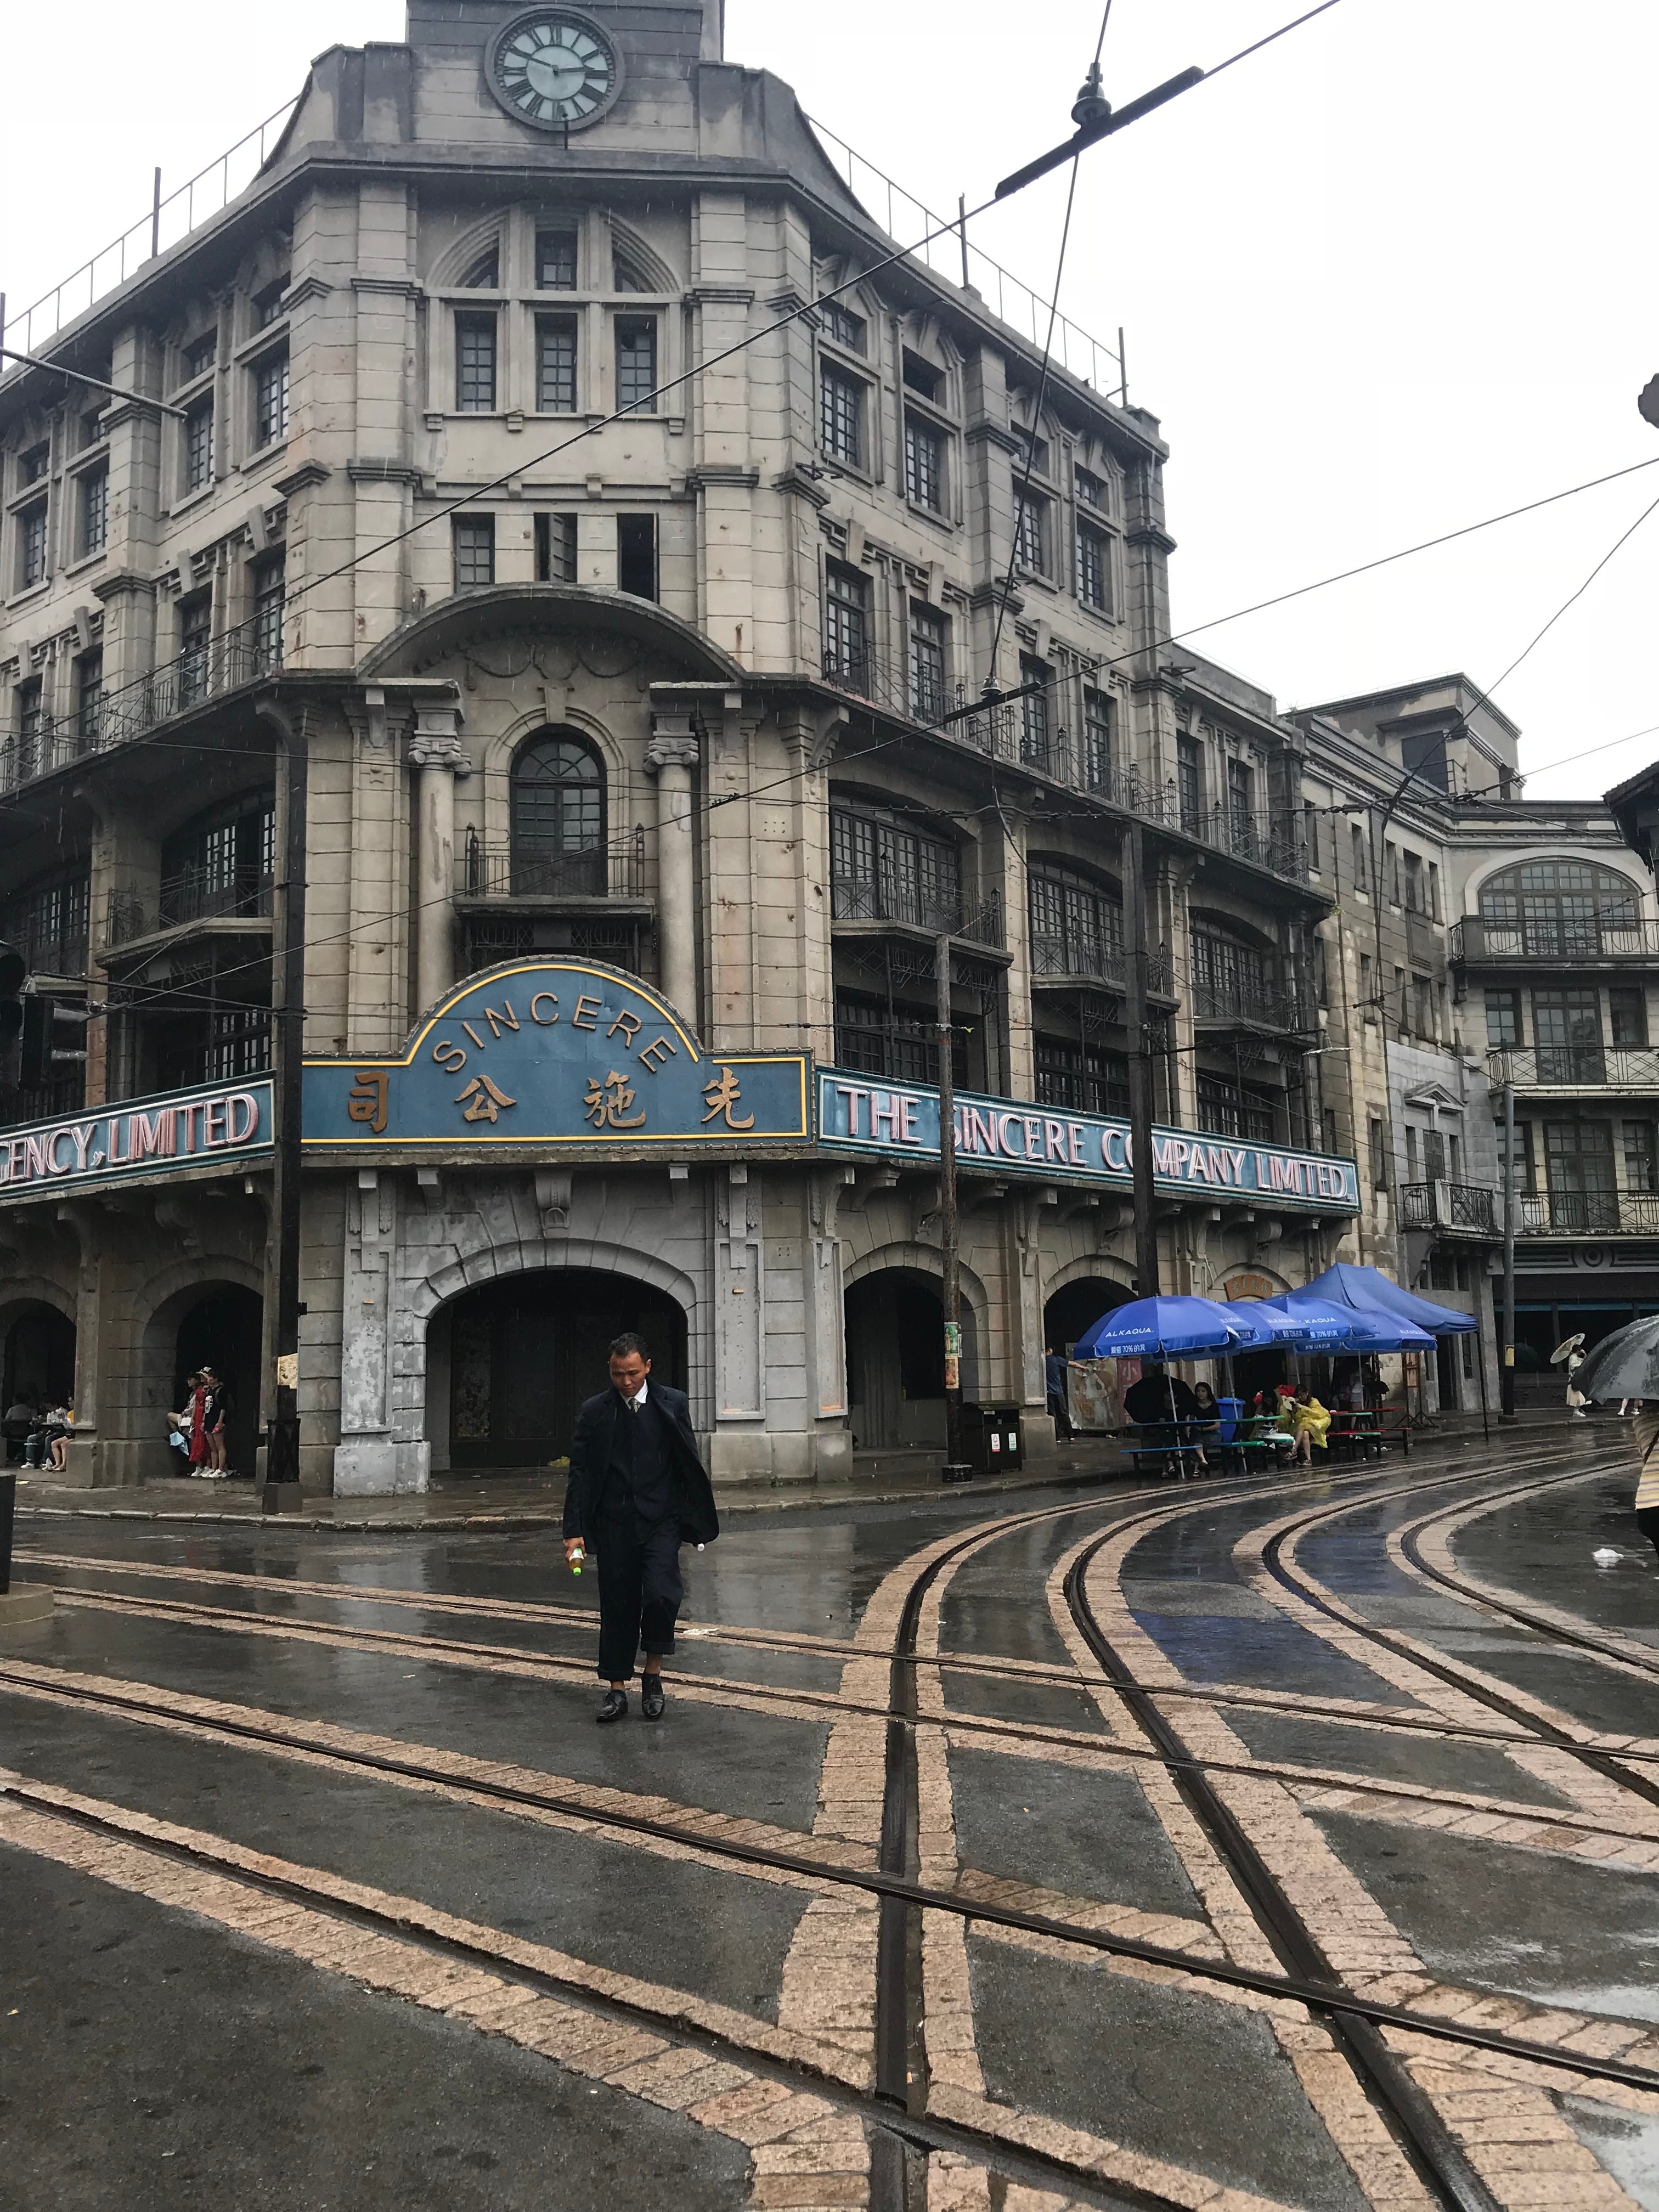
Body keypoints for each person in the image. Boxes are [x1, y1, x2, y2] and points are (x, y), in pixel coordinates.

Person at [562, 1331, 719, 1724]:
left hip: (661, 1520)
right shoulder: (595, 1411)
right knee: (618, 1605)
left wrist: (693, 1516)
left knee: (662, 1595)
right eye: (618, 1374)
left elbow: (688, 1462)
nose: (626, 1382)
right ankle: (616, 1690)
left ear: (647, 1368)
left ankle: (653, 1675)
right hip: (614, 1522)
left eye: (632, 1373)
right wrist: (574, 1530)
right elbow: (580, 1474)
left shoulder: (673, 1403)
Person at [1290, 1386, 1331, 1465]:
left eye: (1302, 1395)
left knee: (1303, 1426)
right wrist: (1294, 1410)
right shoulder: (1298, 1404)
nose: (1301, 1397)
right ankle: (1308, 1459)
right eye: (1299, 1396)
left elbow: (1317, 1414)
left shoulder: (1314, 1401)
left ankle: (1294, 1449)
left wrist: (1303, 1408)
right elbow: (1297, 1419)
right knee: (1305, 1433)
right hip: (1304, 1428)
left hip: (1317, 1424)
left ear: (1307, 1393)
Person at [1191, 1381, 1221, 1472]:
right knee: (1197, 1440)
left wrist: (1204, 1429)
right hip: (1198, 1433)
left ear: (1208, 1393)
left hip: (1213, 1433)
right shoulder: (1194, 1406)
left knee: (1197, 1444)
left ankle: (1197, 1469)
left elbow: (1217, 1425)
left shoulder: (1214, 1406)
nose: (1200, 1394)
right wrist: (1197, 1427)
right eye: (1198, 1391)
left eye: (1203, 1391)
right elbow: (1192, 1421)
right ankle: (1203, 1461)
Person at [1045, 1347, 1073, 1441]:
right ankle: (1071, 1435)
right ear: (1051, 1350)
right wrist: (1083, 1367)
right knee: (1063, 1413)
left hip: (1049, 1392)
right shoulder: (1056, 1359)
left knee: (1053, 1414)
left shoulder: (1042, 1362)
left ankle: (1057, 1438)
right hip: (1059, 1391)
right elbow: (1071, 1364)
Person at [3, 1397, 37, 1468]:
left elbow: (6, 1421)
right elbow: (35, 1420)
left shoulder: (12, 1410)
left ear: (16, 1401)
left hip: (12, 1433)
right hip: (26, 1433)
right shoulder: (32, 1410)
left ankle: (10, 1456)